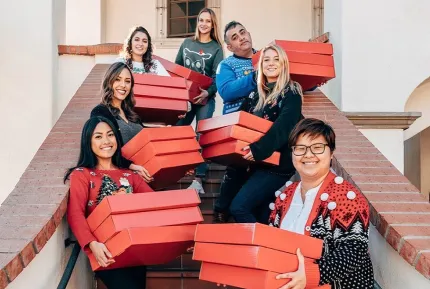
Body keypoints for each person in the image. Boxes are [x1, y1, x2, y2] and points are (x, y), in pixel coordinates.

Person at [269, 118, 374, 289]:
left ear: (331, 153)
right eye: (300, 149)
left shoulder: (346, 197)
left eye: (317, 148)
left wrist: (311, 275)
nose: (308, 155)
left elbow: (354, 251)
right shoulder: (284, 196)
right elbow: (271, 245)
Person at [215, 44, 303, 224]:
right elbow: (240, 122)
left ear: (284, 64)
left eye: (276, 59)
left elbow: (283, 127)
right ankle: (265, 247)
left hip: (277, 166)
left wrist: (258, 149)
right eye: (266, 60)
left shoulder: (291, 92)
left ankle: (259, 247)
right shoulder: (254, 95)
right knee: (262, 213)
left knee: (239, 207)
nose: (271, 63)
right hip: (256, 163)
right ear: (260, 65)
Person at [65, 116, 154, 289]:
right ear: (88, 142)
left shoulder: (130, 175)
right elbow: (75, 213)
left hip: (135, 250)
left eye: (110, 135)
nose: (106, 141)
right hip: (105, 251)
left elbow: (154, 204)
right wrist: (92, 244)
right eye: (98, 136)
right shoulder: (82, 174)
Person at [175, 8, 224, 194]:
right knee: (178, 129)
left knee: (201, 134)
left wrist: (208, 92)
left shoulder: (216, 48)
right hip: (185, 97)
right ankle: (178, 166)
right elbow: (177, 69)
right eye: (201, 20)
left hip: (205, 98)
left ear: (213, 25)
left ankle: (198, 178)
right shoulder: (187, 42)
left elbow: (217, 76)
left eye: (208, 21)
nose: (204, 24)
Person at [90, 62, 153, 183]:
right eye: (118, 80)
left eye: (127, 81)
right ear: (109, 81)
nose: (123, 85)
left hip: (143, 174)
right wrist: (131, 166)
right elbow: (104, 148)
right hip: (120, 179)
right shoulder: (100, 112)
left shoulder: (131, 114)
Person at [216, 21, 257, 114]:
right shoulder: (225, 65)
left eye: (242, 33)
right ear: (230, 48)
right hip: (238, 120)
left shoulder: (266, 57)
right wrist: (256, 77)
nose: (241, 38)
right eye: (235, 38)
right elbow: (227, 92)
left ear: (249, 35)